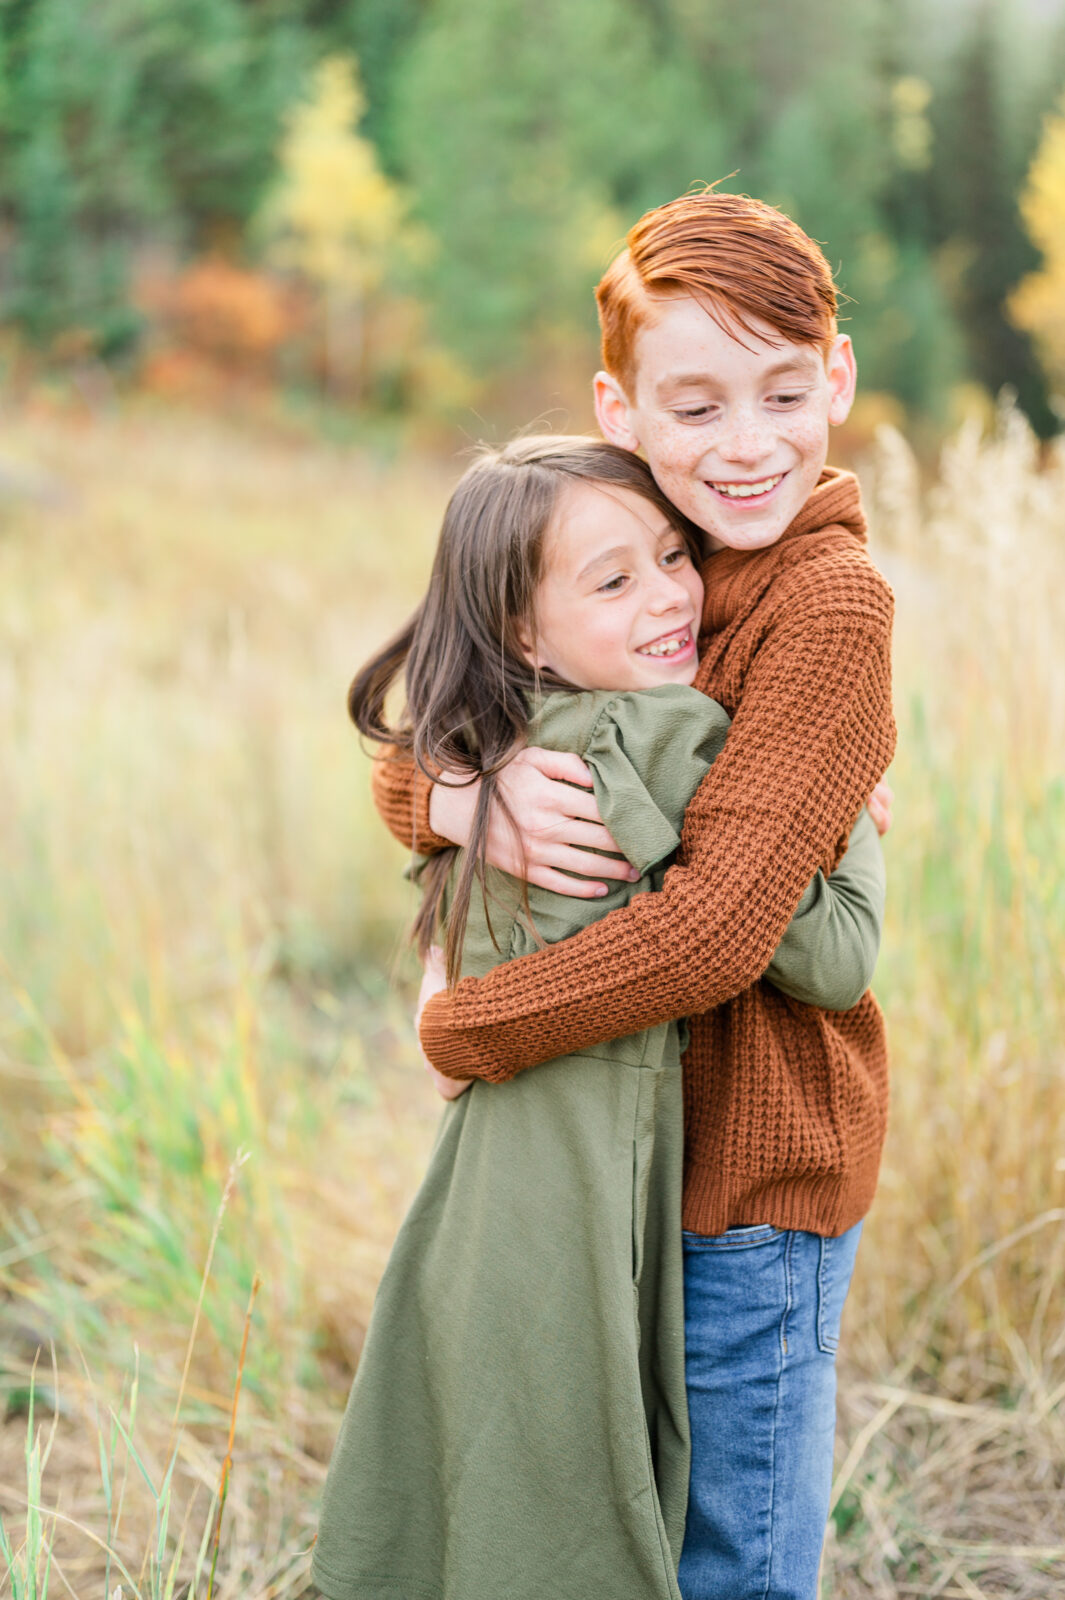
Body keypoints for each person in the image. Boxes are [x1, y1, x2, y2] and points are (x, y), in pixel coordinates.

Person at [371, 189, 896, 1600]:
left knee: (733, 1558)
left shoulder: (825, 604)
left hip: (749, 1180)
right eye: (697, 405)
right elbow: (476, 705)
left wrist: (462, 1026)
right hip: (628, 1164)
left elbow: (718, 930)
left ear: (836, 379)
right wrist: (451, 795)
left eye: (782, 392)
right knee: (635, 1528)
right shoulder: (666, 545)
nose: (746, 443)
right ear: (623, 409)